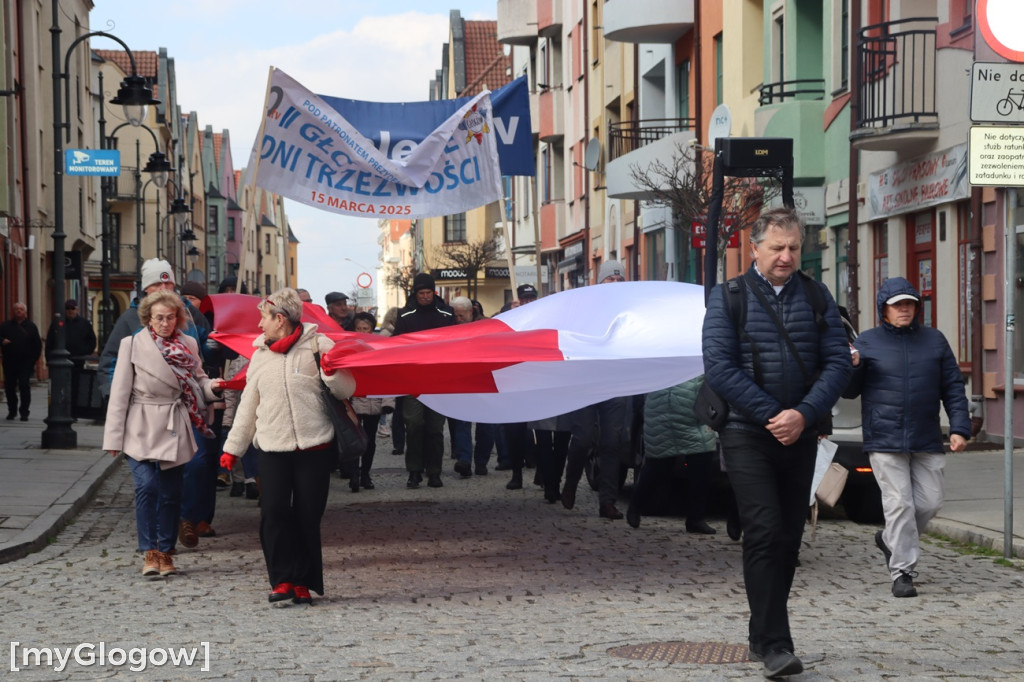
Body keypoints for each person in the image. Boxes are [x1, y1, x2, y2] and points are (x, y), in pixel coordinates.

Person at [702, 207, 851, 678]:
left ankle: (759, 630)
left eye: (793, 248)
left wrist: (803, 414)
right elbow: (720, 368)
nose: (786, 256)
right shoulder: (727, 298)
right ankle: (775, 644)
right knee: (764, 530)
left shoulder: (816, 295)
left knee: (788, 538)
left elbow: (839, 364)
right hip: (748, 434)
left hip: (801, 434)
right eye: (777, 248)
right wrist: (772, 415)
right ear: (755, 249)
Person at [221, 288, 355, 605]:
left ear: (280, 319)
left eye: (263, 318)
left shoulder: (319, 346)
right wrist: (232, 448)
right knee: (274, 512)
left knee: (307, 516)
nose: (259, 326)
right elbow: (247, 406)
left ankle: (303, 583)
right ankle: (281, 579)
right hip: (271, 448)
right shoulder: (260, 356)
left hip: (314, 447)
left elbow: (348, 388)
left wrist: (333, 373)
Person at [845, 277, 970, 599]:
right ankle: (902, 572)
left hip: (926, 435)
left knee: (930, 502)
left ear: (918, 307)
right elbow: (849, 391)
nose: (904, 309)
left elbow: (953, 387)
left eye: (909, 304)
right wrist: (853, 366)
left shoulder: (935, 341)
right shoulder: (868, 342)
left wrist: (959, 427)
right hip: (884, 438)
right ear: (883, 309)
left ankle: (889, 539)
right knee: (899, 503)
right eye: (897, 304)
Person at [102, 290, 224, 578]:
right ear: (148, 318)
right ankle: (150, 551)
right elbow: (119, 392)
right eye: (159, 318)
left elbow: (198, 380)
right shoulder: (131, 344)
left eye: (170, 317)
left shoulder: (189, 343)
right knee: (146, 487)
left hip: (174, 420)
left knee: (171, 492)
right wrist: (113, 437)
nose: (165, 323)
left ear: (178, 318)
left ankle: (166, 551)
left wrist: (214, 388)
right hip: (141, 421)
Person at [561, 261, 633, 519]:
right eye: (609, 279)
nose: (614, 284)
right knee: (582, 439)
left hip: (616, 382)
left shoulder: (629, 310)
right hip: (586, 381)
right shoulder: (586, 307)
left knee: (612, 443)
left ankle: (607, 502)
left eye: (618, 279)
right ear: (600, 282)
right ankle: (570, 483)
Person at [628, 375, 717, 533]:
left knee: (701, 467)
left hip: (693, 415)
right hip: (662, 412)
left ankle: (695, 519)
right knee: (658, 468)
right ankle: (636, 504)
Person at [393, 273, 455, 488]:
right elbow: (397, 344)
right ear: (415, 294)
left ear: (434, 292)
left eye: (429, 293)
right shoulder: (405, 315)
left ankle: (435, 471)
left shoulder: (447, 314)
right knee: (414, 425)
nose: (426, 297)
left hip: (438, 380)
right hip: (414, 379)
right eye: (422, 293)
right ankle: (414, 470)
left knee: (435, 429)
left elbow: (456, 344)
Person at [348, 311, 394, 491]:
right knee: (354, 440)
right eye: (359, 328)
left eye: (365, 328)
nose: (362, 331)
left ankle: (365, 473)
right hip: (354, 401)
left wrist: (388, 402)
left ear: (371, 329)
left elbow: (387, 376)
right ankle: (353, 474)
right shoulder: (348, 347)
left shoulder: (379, 348)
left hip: (373, 402)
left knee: (369, 440)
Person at [45, 299, 97, 420]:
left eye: (72, 308)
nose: (70, 311)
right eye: (68, 308)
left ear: (77, 309)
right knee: (59, 389)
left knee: (75, 388)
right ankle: (60, 412)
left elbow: (92, 341)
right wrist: (49, 359)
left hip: (77, 361)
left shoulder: (84, 323)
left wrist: (85, 352)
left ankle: (73, 412)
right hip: (59, 363)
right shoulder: (57, 323)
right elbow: (50, 342)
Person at [1, 302, 42, 421]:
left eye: (21, 309)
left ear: (25, 312)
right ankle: (12, 411)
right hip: (9, 361)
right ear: (13, 312)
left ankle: (24, 412)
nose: (18, 311)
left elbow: (37, 345)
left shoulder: (31, 326)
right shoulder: (6, 326)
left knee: (24, 385)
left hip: (25, 362)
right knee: (10, 387)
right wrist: (2, 341)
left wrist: (33, 360)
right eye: (16, 309)